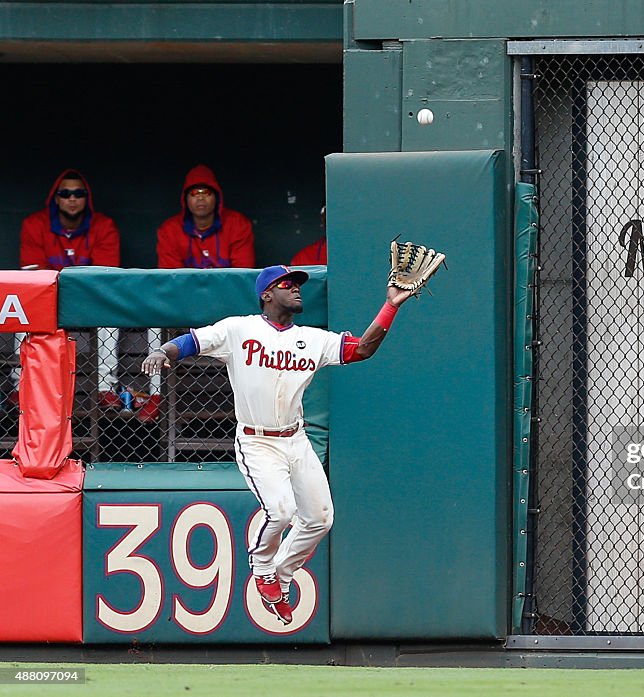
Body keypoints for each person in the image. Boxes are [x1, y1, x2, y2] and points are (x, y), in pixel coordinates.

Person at [140, 265, 416, 624]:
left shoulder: (313, 338)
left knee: (320, 518)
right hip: (257, 441)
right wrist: (163, 351)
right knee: (282, 511)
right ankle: (261, 565)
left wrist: (391, 305)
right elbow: (192, 342)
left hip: (295, 439)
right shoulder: (239, 329)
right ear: (266, 295)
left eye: (299, 284)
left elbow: (362, 349)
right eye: (287, 285)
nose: (297, 289)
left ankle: (280, 577)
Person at [18, 170, 122, 395]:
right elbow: (33, 273)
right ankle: (21, 386)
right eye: (65, 193)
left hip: (90, 300)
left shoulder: (103, 226)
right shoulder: (35, 224)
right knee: (21, 310)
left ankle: (105, 388)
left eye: (78, 193)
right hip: (46, 300)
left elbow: (105, 274)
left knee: (110, 319)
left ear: (87, 197)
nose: (72, 199)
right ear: (56, 198)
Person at [156, 164, 255, 269]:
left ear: (217, 198)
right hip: (185, 286)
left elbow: (242, 274)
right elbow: (171, 278)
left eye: (206, 193)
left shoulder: (238, 224)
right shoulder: (169, 230)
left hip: (227, 286)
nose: (200, 198)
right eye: (194, 193)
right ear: (185, 199)